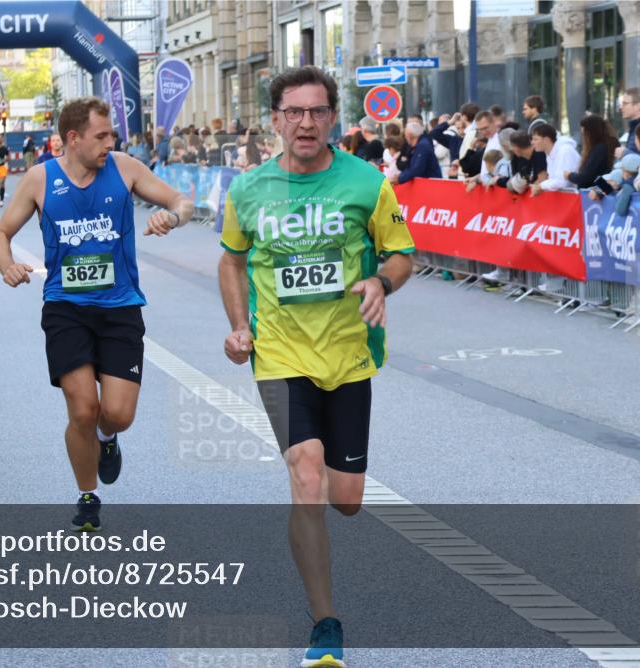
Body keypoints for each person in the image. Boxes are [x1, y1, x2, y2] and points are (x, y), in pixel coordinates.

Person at [218, 66, 415, 668]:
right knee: (305, 475)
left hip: (349, 354)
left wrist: (382, 282)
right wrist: (240, 326)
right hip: (279, 353)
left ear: (332, 118)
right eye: (294, 112)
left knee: (346, 499)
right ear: (276, 119)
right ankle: (325, 624)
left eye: (317, 111)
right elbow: (232, 261)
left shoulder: (367, 183)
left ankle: (330, 503)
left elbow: (402, 254)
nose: (306, 123)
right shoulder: (247, 190)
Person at [0, 97, 194, 534]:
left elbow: (182, 200)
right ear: (73, 138)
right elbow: (2, 233)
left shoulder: (124, 168)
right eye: (101, 136)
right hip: (66, 309)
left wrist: (172, 218)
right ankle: (88, 495)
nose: (110, 143)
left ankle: (107, 437)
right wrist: (7, 265)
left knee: (117, 414)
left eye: (111, 135)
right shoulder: (41, 179)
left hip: (120, 308)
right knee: (83, 409)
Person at [566, 114, 617, 190]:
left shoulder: (600, 149)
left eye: (585, 134)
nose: (584, 138)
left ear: (591, 133)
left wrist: (570, 175)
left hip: (594, 192)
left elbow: (586, 177)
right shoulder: (609, 144)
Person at [530, 123, 580, 195]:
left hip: (578, 197)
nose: (532, 142)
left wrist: (541, 186)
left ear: (546, 140)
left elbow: (562, 182)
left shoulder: (565, 151)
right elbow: (554, 179)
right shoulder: (550, 152)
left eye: (535, 139)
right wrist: (540, 186)